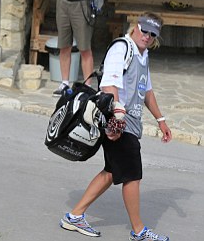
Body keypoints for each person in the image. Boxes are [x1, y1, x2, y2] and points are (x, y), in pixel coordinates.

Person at [59, 13, 172, 241]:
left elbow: (146, 90)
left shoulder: (143, 54)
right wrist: (117, 119)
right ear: (135, 27)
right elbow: (109, 83)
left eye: (153, 34)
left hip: (126, 121)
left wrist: (161, 120)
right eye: (144, 30)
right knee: (132, 175)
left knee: (111, 172)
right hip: (118, 122)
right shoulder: (122, 48)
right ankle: (139, 231)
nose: (147, 36)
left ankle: (74, 216)